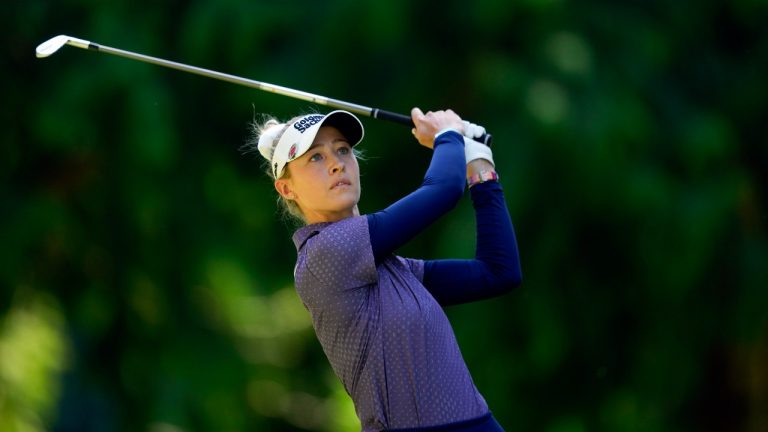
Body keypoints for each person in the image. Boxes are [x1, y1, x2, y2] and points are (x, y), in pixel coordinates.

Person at [244, 107, 522, 431]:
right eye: (315, 158)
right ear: (287, 189)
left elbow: (498, 272)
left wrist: (479, 163)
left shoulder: (395, 270)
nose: (336, 163)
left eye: (342, 150)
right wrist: (447, 135)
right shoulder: (322, 254)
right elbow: (443, 191)